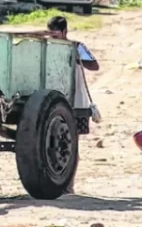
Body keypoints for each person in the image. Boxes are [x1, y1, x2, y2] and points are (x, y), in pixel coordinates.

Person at [46, 15, 101, 194]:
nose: (54, 39)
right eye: (51, 35)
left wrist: (77, 58)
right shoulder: (46, 48)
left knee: (71, 144)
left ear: (65, 32)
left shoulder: (77, 47)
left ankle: (69, 185)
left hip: (77, 102)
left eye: (56, 35)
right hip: (53, 101)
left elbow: (94, 65)